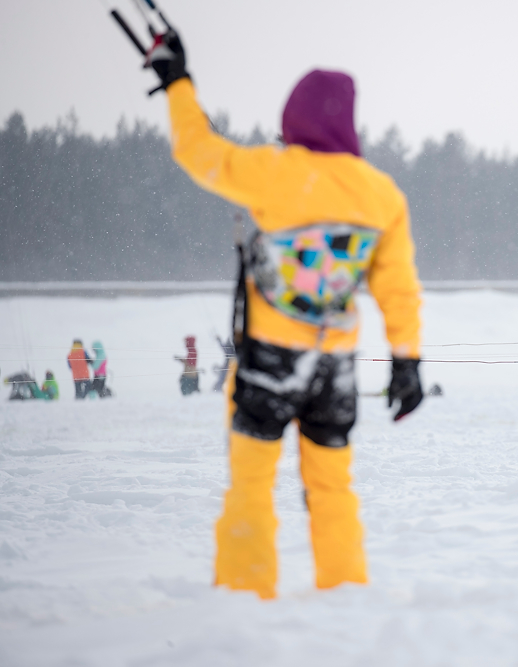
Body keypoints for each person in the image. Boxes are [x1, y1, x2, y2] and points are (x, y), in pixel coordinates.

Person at [146, 29, 424, 599]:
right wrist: (407, 362)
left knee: (251, 481)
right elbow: (398, 289)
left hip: (269, 357)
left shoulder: (271, 172)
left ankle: (247, 593)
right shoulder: (382, 194)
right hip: (336, 365)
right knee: (332, 486)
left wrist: (177, 83)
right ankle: (344, 589)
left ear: (292, 119)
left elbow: (197, 150)